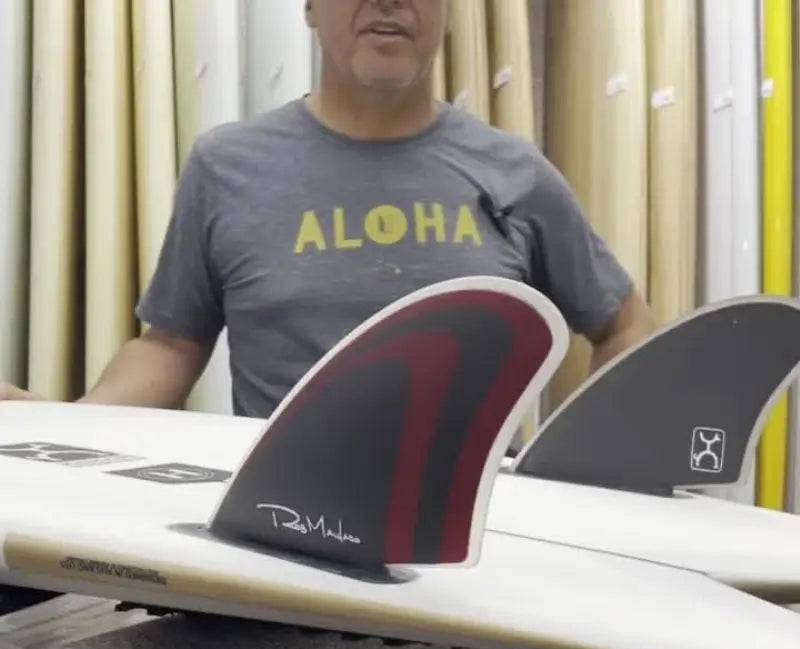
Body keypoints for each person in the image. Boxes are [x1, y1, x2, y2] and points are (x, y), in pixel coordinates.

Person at [1, 0, 654, 416]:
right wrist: (71, 430)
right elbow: (172, 345)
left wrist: (580, 470)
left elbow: (624, 325)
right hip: (281, 534)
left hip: (469, 543)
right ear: (310, 7)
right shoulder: (225, 166)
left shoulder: (515, 172)